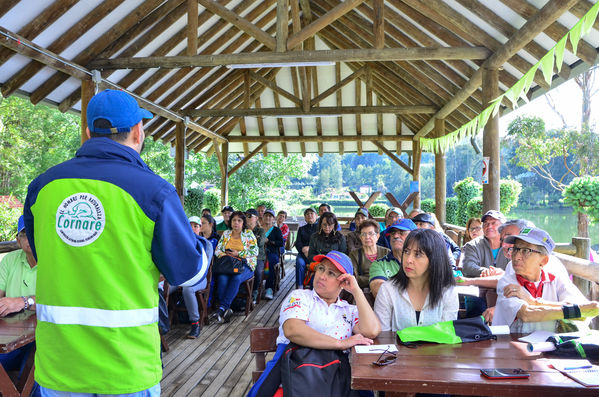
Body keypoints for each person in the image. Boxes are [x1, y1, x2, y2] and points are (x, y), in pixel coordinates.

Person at [23, 89, 209, 395]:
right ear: (138, 132)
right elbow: (188, 274)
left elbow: (42, 254)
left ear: (88, 133)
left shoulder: (43, 187)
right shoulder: (153, 191)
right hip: (126, 366)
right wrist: (203, 245)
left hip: (59, 365)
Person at [247, 251, 380, 397]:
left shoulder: (349, 310)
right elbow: (293, 330)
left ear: (343, 282)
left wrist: (357, 291)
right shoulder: (301, 297)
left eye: (331, 273)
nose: (322, 276)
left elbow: (372, 331)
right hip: (292, 366)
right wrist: (340, 343)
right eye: (321, 268)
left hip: (334, 373)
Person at [493, 227, 599, 333]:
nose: (516, 257)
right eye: (515, 249)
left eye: (525, 251)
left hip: (546, 344)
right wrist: (575, 311)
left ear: (544, 260)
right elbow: (526, 314)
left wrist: (534, 302)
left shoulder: (555, 278)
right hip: (509, 345)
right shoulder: (508, 282)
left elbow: (579, 306)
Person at [374, 229, 458, 332]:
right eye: (406, 252)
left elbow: (446, 335)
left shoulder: (448, 291)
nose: (408, 260)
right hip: (396, 348)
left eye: (417, 254)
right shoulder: (388, 289)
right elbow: (383, 336)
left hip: (437, 349)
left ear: (434, 260)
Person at [0, 216, 38, 395]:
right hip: (11, 340)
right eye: (24, 234)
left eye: (34, 232)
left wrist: (22, 301)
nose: (29, 237)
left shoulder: (56, 263)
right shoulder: (10, 260)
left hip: (44, 337)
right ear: (17, 239)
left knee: (32, 379)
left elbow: (58, 300)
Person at [212, 211, 258, 323]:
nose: (236, 223)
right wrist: (226, 255)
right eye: (234, 220)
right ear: (231, 222)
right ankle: (226, 309)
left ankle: (222, 308)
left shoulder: (248, 234)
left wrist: (238, 254)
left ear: (243, 223)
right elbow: (218, 250)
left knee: (236, 278)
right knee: (222, 278)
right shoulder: (226, 234)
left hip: (244, 264)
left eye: (239, 220)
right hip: (228, 265)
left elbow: (255, 251)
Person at [182, 216, 216, 339]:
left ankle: (195, 324)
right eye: (189, 226)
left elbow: (204, 267)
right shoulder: (181, 242)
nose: (192, 229)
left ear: (200, 228)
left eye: (195, 226)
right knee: (160, 287)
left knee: (188, 289)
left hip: (200, 278)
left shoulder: (206, 244)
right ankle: (161, 323)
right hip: (181, 277)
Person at [369, 219, 417, 297]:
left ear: (414, 237)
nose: (395, 236)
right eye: (393, 233)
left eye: (401, 232)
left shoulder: (423, 261)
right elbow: (380, 292)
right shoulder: (379, 264)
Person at [461, 210, 509, 277]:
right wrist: (484, 271)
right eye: (486, 223)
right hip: (480, 286)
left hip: (507, 285)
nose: (489, 226)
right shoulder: (472, 245)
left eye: (493, 223)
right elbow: (467, 266)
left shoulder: (511, 246)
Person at [348, 219, 390, 289]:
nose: (367, 237)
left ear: (378, 236)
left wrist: (364, 278)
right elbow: (354, 278)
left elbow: (391, 275)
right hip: (362, 292)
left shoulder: (387, 252)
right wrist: (377, 278)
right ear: (360, 237)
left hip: (385, 290)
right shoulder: (354, 255)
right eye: (364, 234)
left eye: (370, 234)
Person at [263, 209, 284, 300]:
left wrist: (270, 242)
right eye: (266, 216)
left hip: (272, 253)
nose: (268, 218)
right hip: (260, 253)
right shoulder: (259, 229)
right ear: (263, 217)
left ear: (273, 218)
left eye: (270, 216)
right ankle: (255, 289)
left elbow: (281, 243)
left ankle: (269, 288)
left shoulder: (276, 230)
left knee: (270, 263)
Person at [294, 208, 318, 288]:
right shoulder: (301, 229)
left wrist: (310, 248)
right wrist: (303, 250)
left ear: (316, 216)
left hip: (316, 253)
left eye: (312, 213)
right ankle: (300, 286)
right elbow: (298, 243)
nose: (309, 215)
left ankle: (314, 286)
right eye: (307, 214)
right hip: (303, 253)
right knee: (300, 263)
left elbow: (321, 242)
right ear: (305, 217)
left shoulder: (320, 228)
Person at [246, 209, 265, 305]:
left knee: (257, 271)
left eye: (250, 216)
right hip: (244, 256)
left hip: (258, 257)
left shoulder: (261, 230)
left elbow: (260, 244)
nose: (247, 218)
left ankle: (254, 291)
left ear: (256, 218)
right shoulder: (243, 230)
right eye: (246, 216)